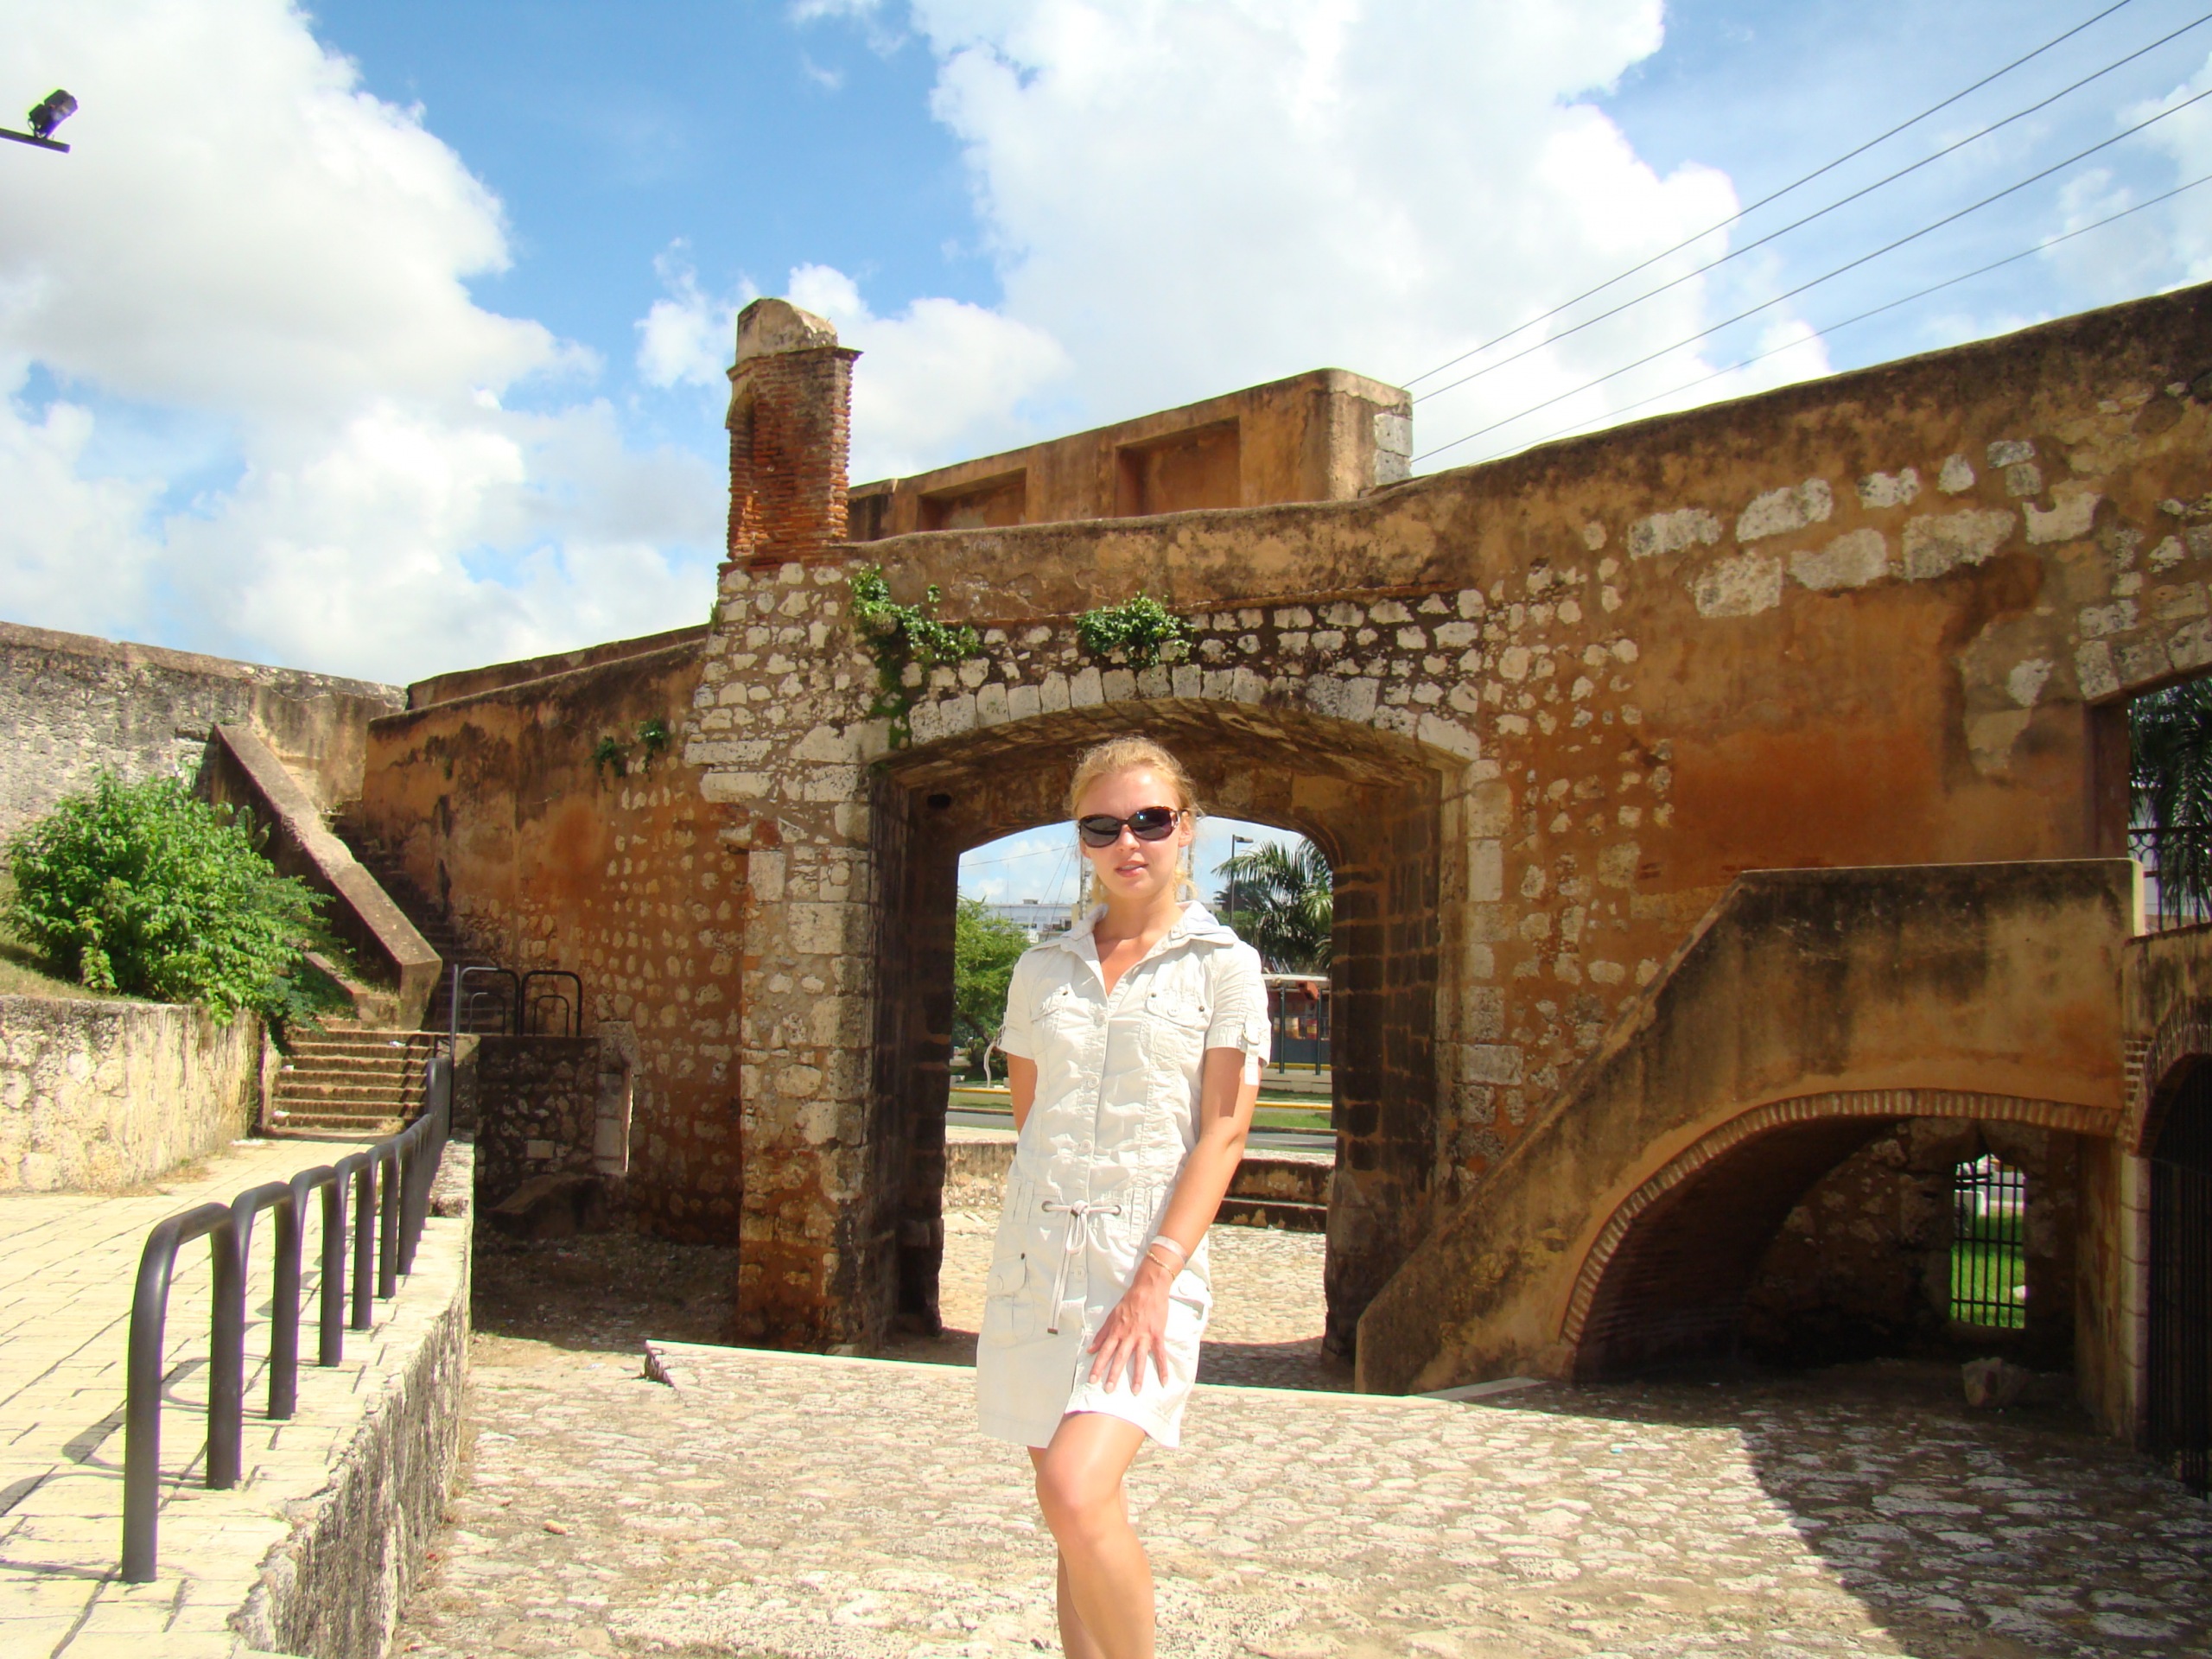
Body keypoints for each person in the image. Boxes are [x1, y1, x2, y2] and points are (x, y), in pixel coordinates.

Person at [977, 734, 1269, 1659]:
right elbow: (1036, 1124)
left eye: (1148, 820)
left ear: (1186, 828)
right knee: (1073, 1518)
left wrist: (1155, 1278)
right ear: (1081, 840)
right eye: (1101, 827)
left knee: (1074, 1489)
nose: (1127, 843)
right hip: (1036, 1271)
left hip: (1144, 1271)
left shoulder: (1224, 967)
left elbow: (1223, 1135)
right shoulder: (1039, 972)